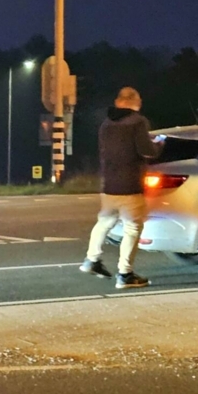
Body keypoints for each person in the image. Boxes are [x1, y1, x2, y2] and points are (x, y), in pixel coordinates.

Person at [80, 87, 162, 289]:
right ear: (134, 101)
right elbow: (147, 151)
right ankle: (125, 274)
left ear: (118, 102)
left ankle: (92, 259)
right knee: (133, 228)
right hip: (130, 184)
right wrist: (159, 144)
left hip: (109, 184)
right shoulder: (137, 122)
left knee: (105, 222)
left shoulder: (106, 124)